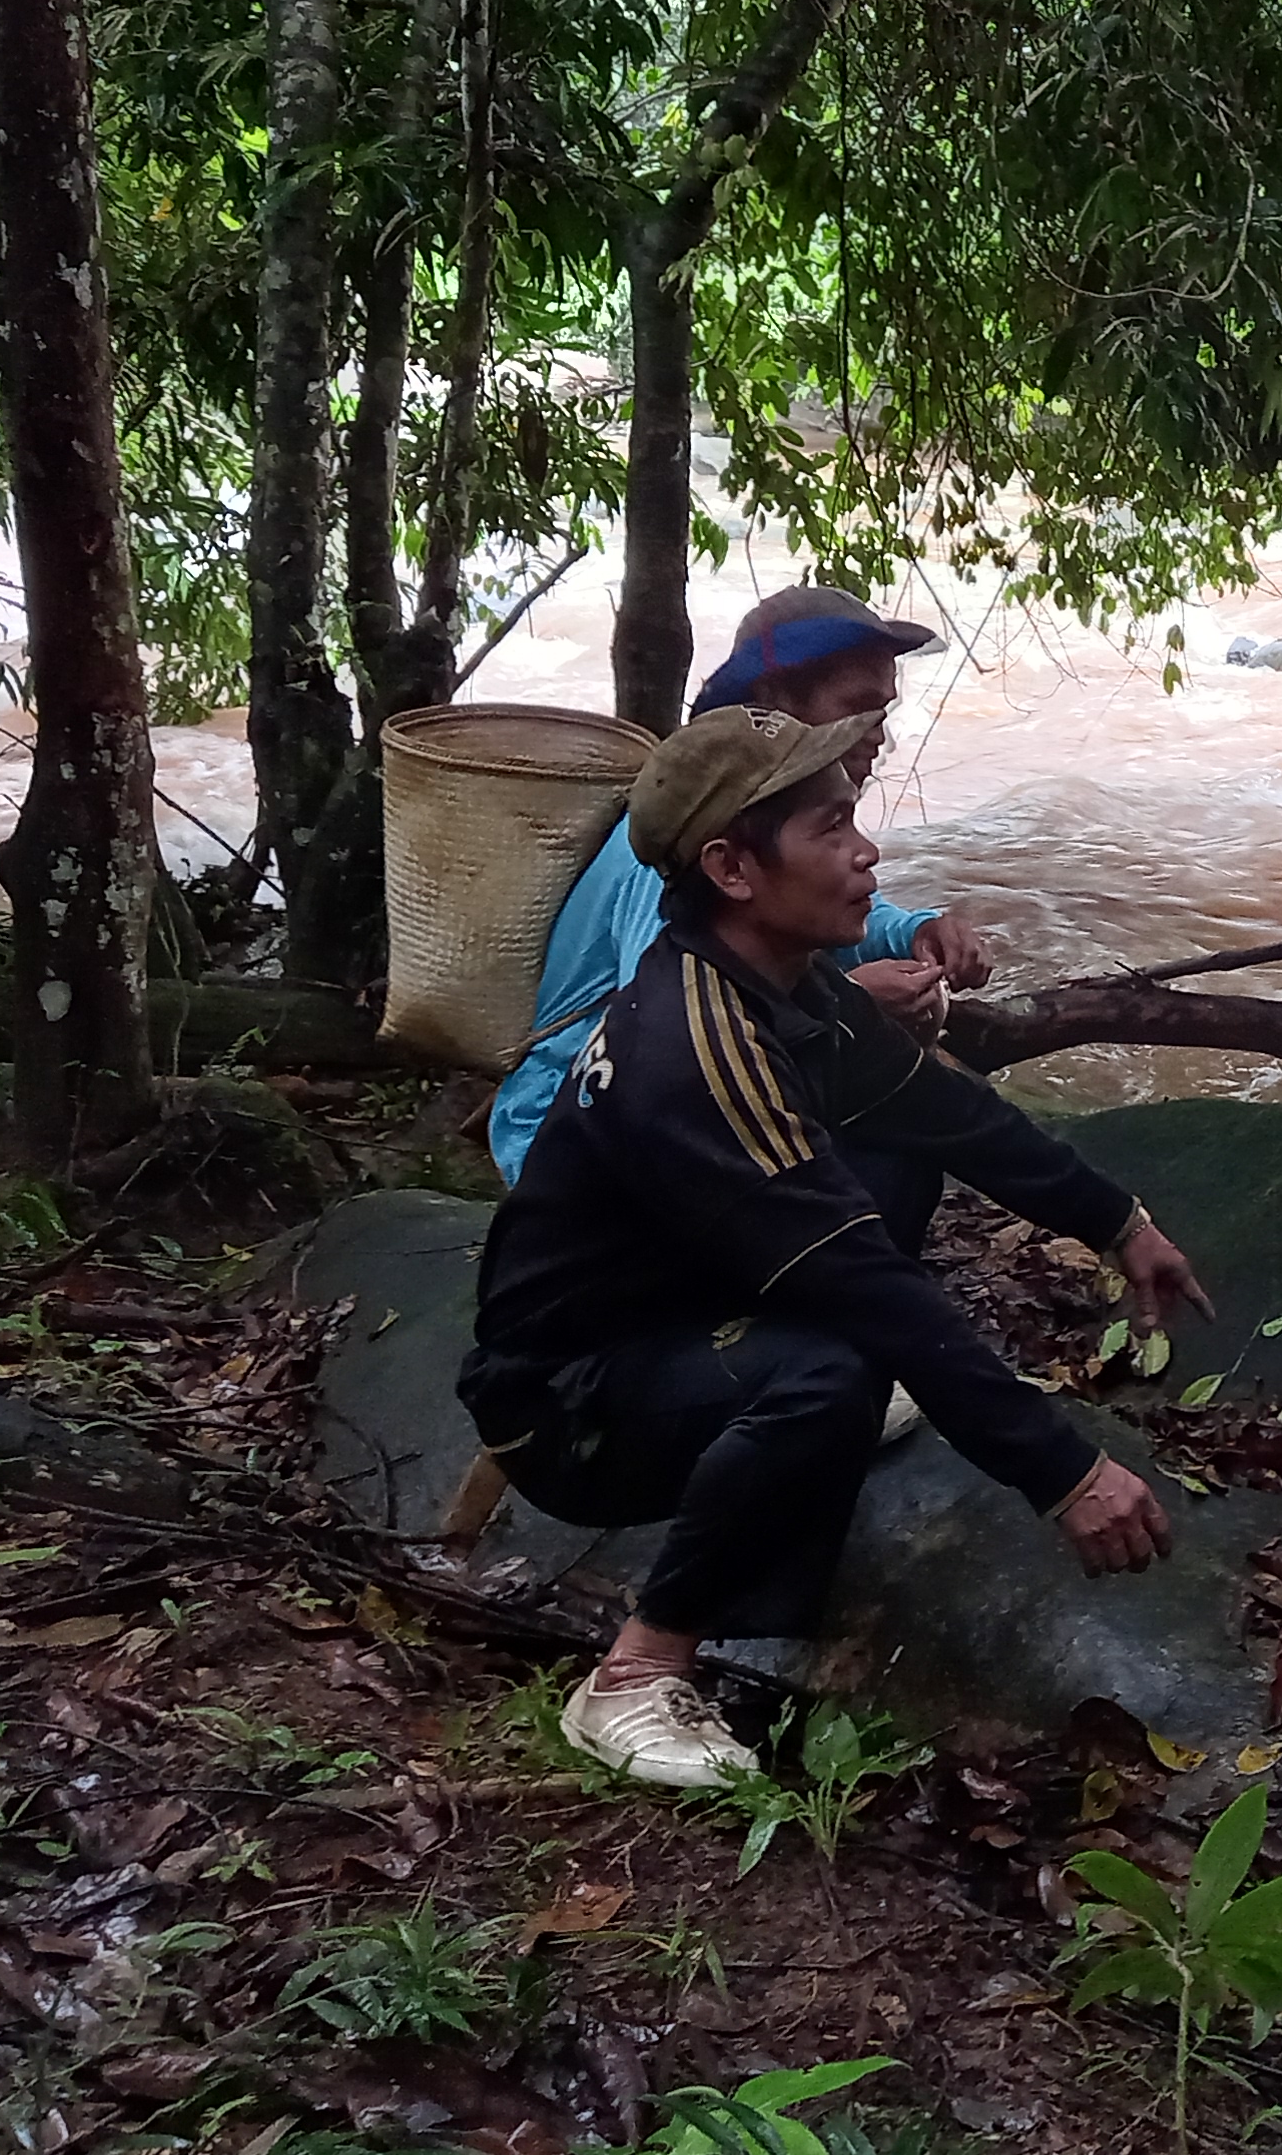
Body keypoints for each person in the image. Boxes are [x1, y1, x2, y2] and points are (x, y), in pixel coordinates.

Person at [458, 703, 1206, 1790]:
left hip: (671, 1310)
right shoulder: (696, 1045)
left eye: (854, 819)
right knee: (833, 1368)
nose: (867, 854)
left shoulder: (780, 986)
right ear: (731, 867)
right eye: (828, 828)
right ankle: (637, 1669)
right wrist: (1063, 1472)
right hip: (567, 1405)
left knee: (901, 1156)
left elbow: (945, 1115)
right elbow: (868, 1287)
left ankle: (772, 1424)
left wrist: (1116, 1221)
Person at [487, 584, 990, 1185]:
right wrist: (848, 1007)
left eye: (883, 711)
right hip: (577, 1125)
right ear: (775, 699)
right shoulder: (688, 834)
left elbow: (827, 917)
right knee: (878, 1172)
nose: (877, 733)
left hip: (676, 1105)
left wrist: (916, 931)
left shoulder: (770, 807)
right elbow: (661, 1035)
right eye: (858, 707)